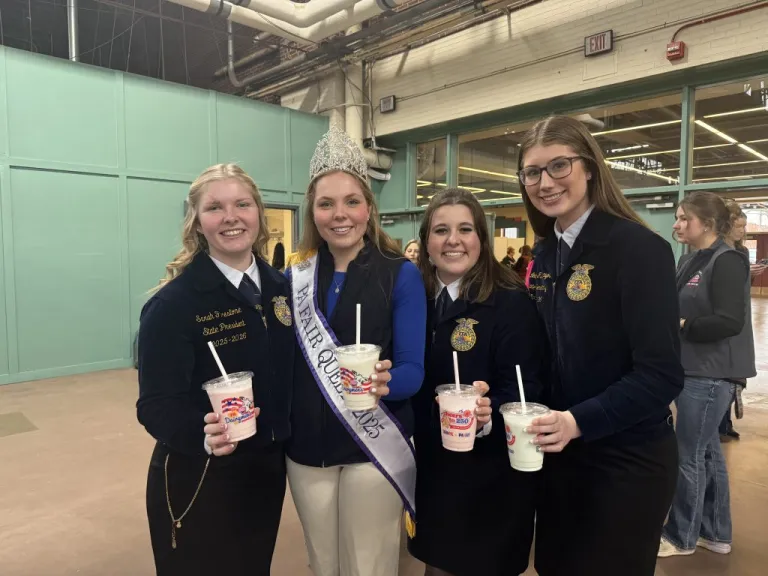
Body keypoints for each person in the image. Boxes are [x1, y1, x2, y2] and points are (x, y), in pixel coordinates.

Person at [520, 116, 684, 576]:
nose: (545, 182)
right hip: (560, 456)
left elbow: (661, 374)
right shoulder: (547, 252)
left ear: (589, 167)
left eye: (559, 166)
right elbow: (549, 354)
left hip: (625, 461)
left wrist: (578, 421)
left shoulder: (636, 249)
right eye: (532, 172)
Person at [136, 164, 295, 576]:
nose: (231, 217)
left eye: (242, 204)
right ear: (197, 223)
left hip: (265, 469)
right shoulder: (173, 305)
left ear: (259, 214)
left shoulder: (283, 289)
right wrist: (200, 435)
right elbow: (155, 405)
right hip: (200, 472)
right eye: (215, 208)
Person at [285, 126, 427, 576]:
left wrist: (386, 382)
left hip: (372, 444)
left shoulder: (399, 274)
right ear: (313, 210)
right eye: (326, 203)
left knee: (369, 567)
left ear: (369, 207)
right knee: (324, 564)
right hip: (307, 448)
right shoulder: (295, 277)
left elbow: (413, 370)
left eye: (351, 201)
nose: (339, 214)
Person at [408, 188, 546, 576]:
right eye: (441, 230)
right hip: (432, 469)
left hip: (490, 475)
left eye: (465, 229)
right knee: (436, 564)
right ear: (426, 243)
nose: (453, 240)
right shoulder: (414, 300)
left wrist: (489, 414)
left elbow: (527, 386)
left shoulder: (510, 303)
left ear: (482, 240)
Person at [659, 192, 756, 558]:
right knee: (708, 454)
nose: (677, 224)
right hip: (692, 368)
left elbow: (730, 321)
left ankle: (680, 536)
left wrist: (682, 324)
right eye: (677, 217)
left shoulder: (727, 261)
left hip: (712, 373)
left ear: (708, 224)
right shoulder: (690, 259)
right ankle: (715, 533)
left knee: (688, 455)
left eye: (684, 218)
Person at [719, 202, 750, 439]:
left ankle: (726, 421)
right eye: (739, 226)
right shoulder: (714, 254)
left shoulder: (741, 253)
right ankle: (721, 422)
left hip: (738, 319)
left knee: (734, 373)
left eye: (745, 226)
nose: (743, 231)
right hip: (723, 324)